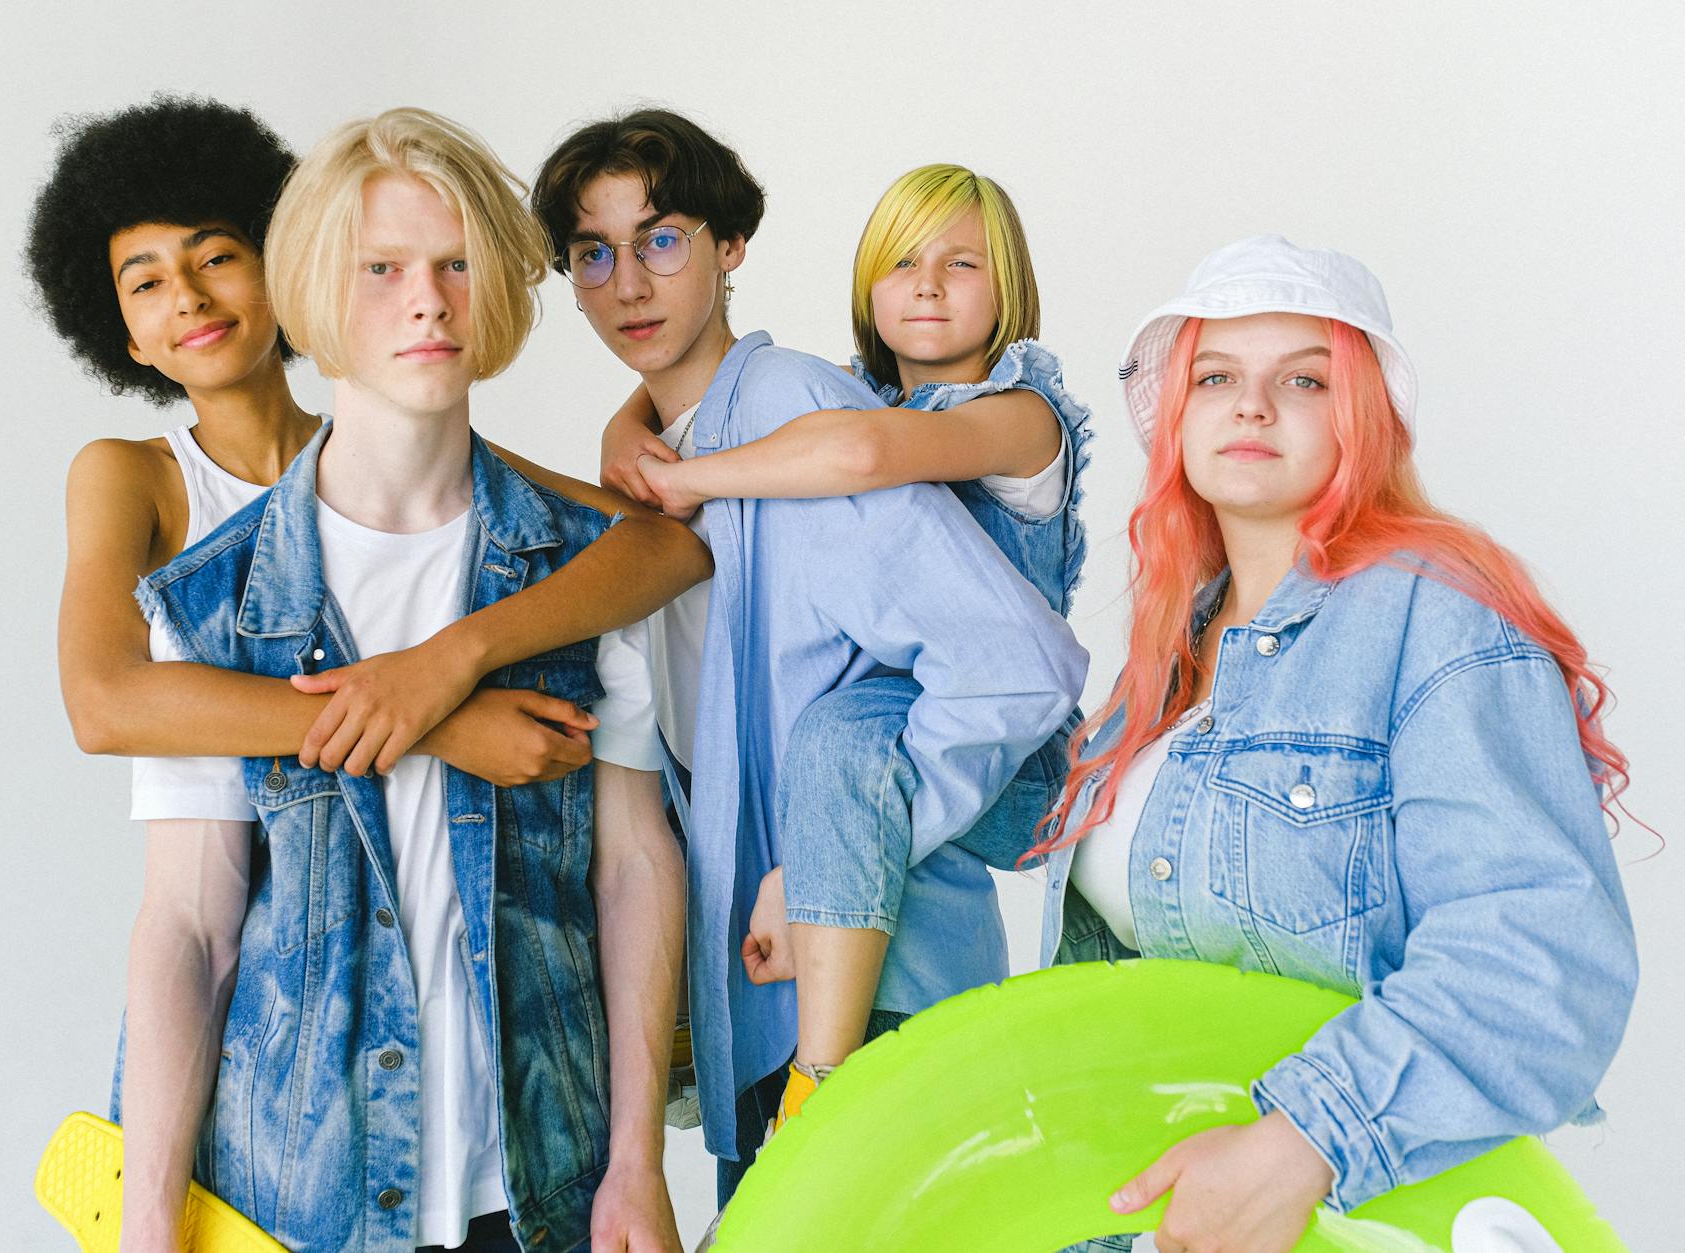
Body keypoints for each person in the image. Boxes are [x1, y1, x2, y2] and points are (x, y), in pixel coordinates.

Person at [74, 106, 698, 1251]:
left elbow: (632, 865)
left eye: (457, 264)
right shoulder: (212, 601)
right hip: (295, 1193)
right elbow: (187, 925)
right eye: (382, 269)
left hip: (545, 1184)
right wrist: (147, 1218)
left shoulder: (580, 570)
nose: (428, 301)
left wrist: (635, 1162)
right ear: (314, 287)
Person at [1033, 235, 1638, 1252]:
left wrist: (1303, 1137)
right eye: (1214, 375)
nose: (1250, 405)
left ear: (1358, 418)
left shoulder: (1437, 622)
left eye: (1301, 379)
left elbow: (1539, 959)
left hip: (1356, 1219)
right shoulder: (1166, 660)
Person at [531, 111, 1089, 1209]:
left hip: (878, 982)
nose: (628, 282)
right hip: (763, 1000)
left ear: (729, 247)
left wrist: (824, 879)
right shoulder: (694, 444)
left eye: (661, 238)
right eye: (592, 254)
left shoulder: (795, 405)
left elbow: (1013, 662)